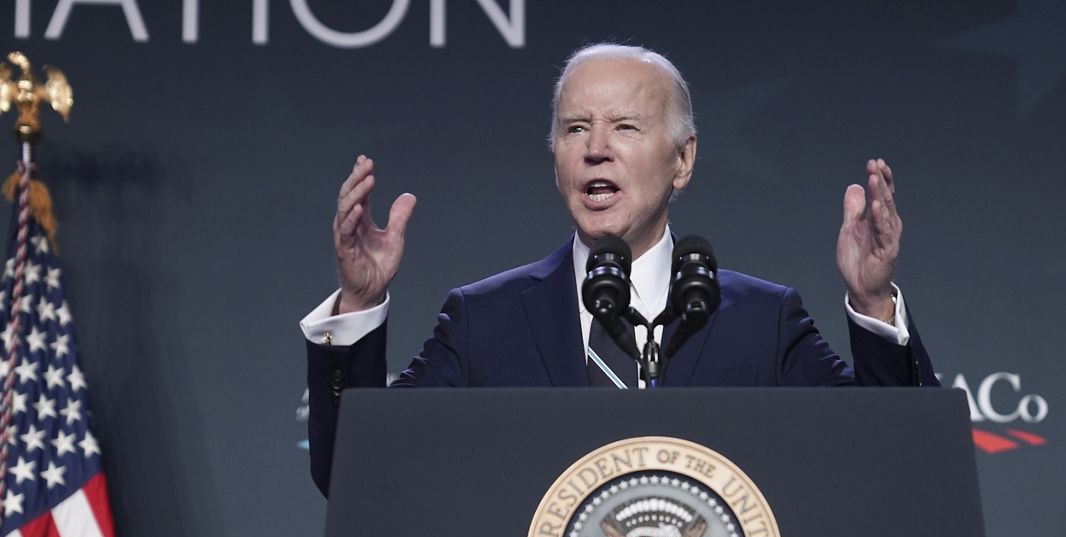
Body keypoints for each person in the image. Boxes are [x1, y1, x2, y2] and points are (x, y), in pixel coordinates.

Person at [300, 43, 938, 496]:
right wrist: (357, 307)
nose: (596, 148)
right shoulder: (484, 320)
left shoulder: (762, 322)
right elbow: (358, 476)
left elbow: (893, 467)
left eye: (625, 126)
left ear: (682, 160)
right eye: (575, 128)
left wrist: (875, 303)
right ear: (556, 162)